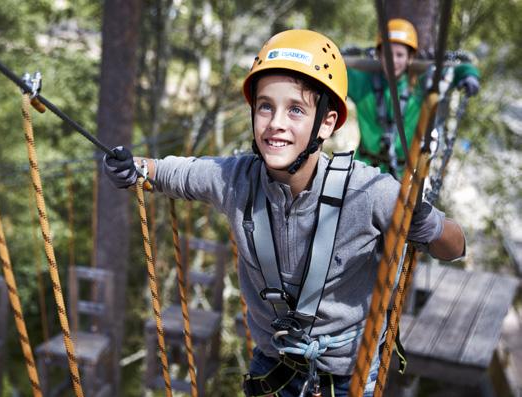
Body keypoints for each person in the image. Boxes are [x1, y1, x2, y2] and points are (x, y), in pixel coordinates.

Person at [103, 29, 466, 397]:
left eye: (295, 109)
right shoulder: (235, 180)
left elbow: (454, 247)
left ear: (327, 122)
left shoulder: (371, 193)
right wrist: (132, 167)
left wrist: (427, 221)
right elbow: (171, 172)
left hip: (346, 377)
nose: (276, 123)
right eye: (265, 106)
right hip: (273, 366)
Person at [348, 18, 480, 177]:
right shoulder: (363, 83)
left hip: (402, 177)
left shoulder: (420, 86)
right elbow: (336, 72)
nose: (393, 61)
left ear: (410, 58)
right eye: (387, 54)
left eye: (399, 55)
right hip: (362, 170)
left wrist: (469, 75)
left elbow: (458, 70)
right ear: (379, 54)